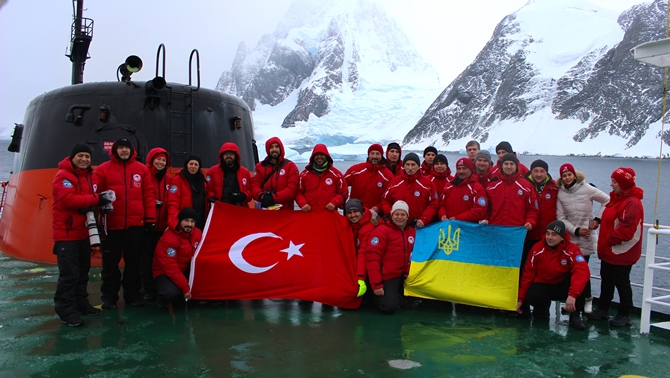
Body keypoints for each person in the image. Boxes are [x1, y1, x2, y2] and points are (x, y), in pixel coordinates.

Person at [93, 138, 156, 309]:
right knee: (110, 264)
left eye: (126, 148)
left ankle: (132, 295)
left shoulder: (141, 170)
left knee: (133, 263)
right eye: (120, 148)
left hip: (135, 225)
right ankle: (109, 297)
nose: (123, 151)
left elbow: (148, 196)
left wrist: (150, 219)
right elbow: (94, 192)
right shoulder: (103, 169)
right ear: (115, 150)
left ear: (131, 150)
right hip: (111, 225)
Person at [52, 143, 107, 326]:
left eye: (87, 157)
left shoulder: (88, 177)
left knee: (83, 273)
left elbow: (87, 199)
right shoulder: (63, 177)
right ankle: (66, 311)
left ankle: (81, 303)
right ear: (73, 157)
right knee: (69, 275)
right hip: (67, 235)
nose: (84, 159)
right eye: (81, 156)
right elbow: (68, 200)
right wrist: (97, 199)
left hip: (83, 233)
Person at [587, 167, 644, 327]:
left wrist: (609, 240)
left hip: (621, 250)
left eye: (614, 182)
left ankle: (625, 313)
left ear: (623, 183)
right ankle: (604, 308)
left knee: (622, 281)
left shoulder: (632, 203)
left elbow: (627, 229)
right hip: (609, 249)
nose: (611, 185)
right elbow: (609, 215)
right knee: (607, 278)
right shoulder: (618, 199)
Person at [516, 221, 590, 330]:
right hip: (545, 283)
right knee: (533, 293)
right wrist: (521, 299)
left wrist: (573, 294)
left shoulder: (572, 250)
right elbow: (528, 274)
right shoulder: (537, 249)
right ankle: (541, 312)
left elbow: (582, 270)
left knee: (582, 280)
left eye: (554, 234)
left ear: (562, 237)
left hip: (563, 285)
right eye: (548, 233)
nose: (550, 237)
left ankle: (575, 315)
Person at [556, 163, 609, 313]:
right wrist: (576, 230)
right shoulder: (560, 193)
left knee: (582, 270)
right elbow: (560, 217)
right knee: (570, 270)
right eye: (564, 175)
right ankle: (573, 303)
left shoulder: (587, 189)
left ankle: (587, 300)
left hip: (587, 236)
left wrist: (598, 219)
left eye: (569, 174)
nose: (567, 178)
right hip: (571, 236)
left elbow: (607, 200)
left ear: (574, 175)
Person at [365, 200, 416, 314]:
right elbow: (372, 258)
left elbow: (415, 256)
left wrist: (408, 273)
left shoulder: (412, 232)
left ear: (407, 216)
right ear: (391, 215)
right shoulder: (382, 231)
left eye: (403, 214)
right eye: (396, 214)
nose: (399, 217)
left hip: (402, 275)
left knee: (414, 302)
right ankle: (371, 296)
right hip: (386, 275)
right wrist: (376, 284)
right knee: (389, 307)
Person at [152, 207, 203, 307]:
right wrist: (185, 289)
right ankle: (161, 297)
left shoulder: (197, 233)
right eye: (186, 220)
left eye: (192, 221)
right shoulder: (169, 238)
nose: (189, 224)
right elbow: (170, 268)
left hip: (184, 269)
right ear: (179, 220)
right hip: (164, 272)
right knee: (170, 293)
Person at [141, 147, 173, 302]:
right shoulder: (144, 176)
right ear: (152, 159)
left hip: (163, 227)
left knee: (160, 258)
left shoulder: (169, 179)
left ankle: (159, 287)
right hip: (148, 225)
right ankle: (147, 288)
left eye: (163, 160)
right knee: (146, 258)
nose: (161, 162)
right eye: (158, 159)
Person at [381, 153, 437, 228]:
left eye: (413, 165)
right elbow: (385, 200)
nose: (410, 168)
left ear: (418, 166)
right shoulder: (395, 182)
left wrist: (424, 219)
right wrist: (391, 213)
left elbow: (433, 203)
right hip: (397, 225)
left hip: (418, 226)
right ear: (403, 166)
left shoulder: (427, 184)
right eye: (407, 164)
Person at [484, 153, 538, 230]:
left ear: (516, 166)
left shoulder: (526, 186)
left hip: (517, 230)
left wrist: (530, 221)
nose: (509, 167)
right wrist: (485, 219)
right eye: (506, 164)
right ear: (502, 166)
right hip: (495, 229)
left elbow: (533, 208)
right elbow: (486, 208)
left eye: (511, 164)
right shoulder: (492, 187)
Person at [522, 159, 559, 268]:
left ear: (546, 172)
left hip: (549, 235)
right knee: (527, 265)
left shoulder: (555, 187)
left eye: (542, 171)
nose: (539, 174)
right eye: (536, 171)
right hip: (529, 234)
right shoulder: (523, 185)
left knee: (546, 266)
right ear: (531, 171)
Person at [251, 137, 299, 210]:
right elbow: (254, 185)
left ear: (281, 148)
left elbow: (292, 189)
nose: (274, 149)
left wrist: (273, 198)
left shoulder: (290, 166)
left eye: (276, 146)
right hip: (264, 210)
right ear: (268, 150)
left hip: (284, 211)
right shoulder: (260, 167)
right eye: (271, 147)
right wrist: (261, 196)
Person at [296, 144, 348, 212]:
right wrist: (303, 204)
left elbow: (343, 192)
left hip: (329, 213)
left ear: (327, 156)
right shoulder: (304, 175)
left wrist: (334, 202)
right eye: (317, 155)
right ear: (313, 157)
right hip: (309, 213)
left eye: (322, 154)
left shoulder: (336, 174)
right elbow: (298, 192)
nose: (319, 157)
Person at [344, 144, 393, 216]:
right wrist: (342, 201)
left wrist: (378, 207)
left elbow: (390, 197)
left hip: (374, 216)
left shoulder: (387, 176)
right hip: (354, 214)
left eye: (377, 154)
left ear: (381, 155)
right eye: (372, 153)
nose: (374, 156)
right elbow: (341, 185)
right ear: (368, 154)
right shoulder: (356, 170)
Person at [438, 158, 487, 222]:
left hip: (467, 228)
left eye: (464, 168)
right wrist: (443, 215)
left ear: (470, 170)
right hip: (449, 226)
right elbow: (442, 205)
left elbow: (479, 210)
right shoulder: (449, 186)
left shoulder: (477, 188)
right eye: (459, 168)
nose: (461, 171)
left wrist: (458, 218)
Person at [344, 199, 376, 297]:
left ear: (361, 212)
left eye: (355, 212)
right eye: (349, 213)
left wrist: (360, 278)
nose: (353, 215)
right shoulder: (350, 226)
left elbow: (363, 253)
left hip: (367, 268)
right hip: (357, 266)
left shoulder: (368, 228)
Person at [167, 155, 207, 230]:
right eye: (191, 164)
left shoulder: (203, 182)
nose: (193, 166)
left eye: (196, 164)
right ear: (186, 165)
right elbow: (173, 203)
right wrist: (174, 222)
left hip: (201, 221)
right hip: (185, 222)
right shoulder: (177, 180)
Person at [206, 142, 252, 206]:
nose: (228, 156)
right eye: (226, 154)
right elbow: (208, 190)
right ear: (222, 156)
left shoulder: (245, 172)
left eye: (231, 154)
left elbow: (250, 190)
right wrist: (211, 197)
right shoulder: (212, 171)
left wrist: (244, 196)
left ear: (236, 156)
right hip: (220, 208)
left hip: (239, 208)